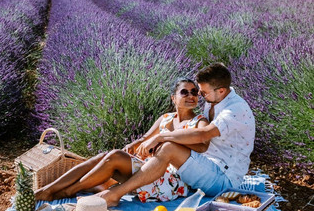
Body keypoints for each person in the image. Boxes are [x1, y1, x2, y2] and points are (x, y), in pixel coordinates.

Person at [97, 62, 255, 207]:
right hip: (207, 165)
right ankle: (98, 186)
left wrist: (161, 136)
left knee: (168, 148)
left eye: (203, 92)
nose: (199, 95)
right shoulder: (215, 98)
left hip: (224, 178)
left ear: (221, 91)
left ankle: (115, 194)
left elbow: (204, 134)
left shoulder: (235, 109)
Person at [35, 77, 209, 202]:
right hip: (148, 170)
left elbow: (203, 144)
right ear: (174, 98)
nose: (190, 96)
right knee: (104, 156)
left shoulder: (199, 121)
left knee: (115, 156)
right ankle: (48, 190)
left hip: (171, 180)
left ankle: (68, 191)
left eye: (194, 92)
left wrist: (163, 140)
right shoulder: (166, 118)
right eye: (184, 92)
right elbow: (145, 138)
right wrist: (133, 145)